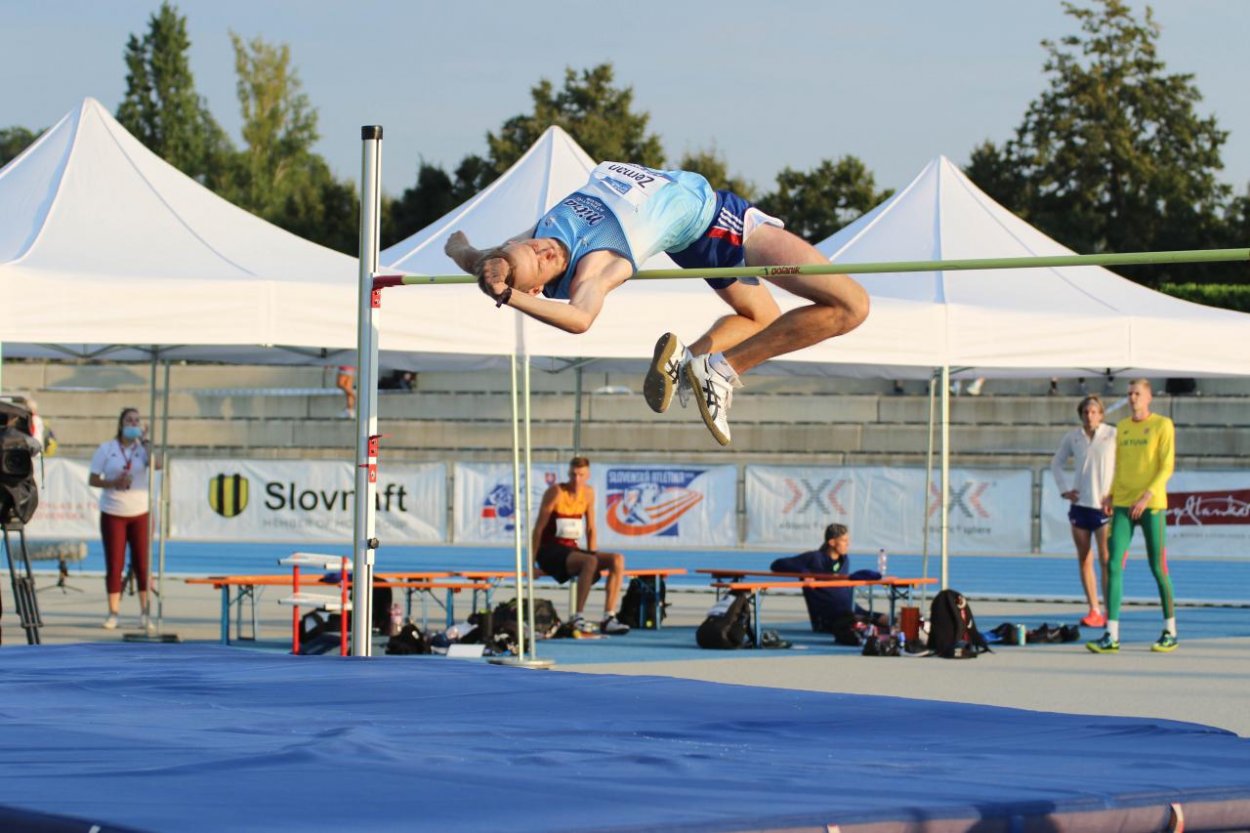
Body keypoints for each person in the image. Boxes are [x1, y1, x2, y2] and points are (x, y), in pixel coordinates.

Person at [444, 162, 870, 446]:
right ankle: (723, 371)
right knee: (851, 307)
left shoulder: (538, 235)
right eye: (540, 261)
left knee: (762, 318)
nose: (541, 249)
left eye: (531, 246)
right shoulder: (597, 265)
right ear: (536, 289)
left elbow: (475, 257)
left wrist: (461, 249)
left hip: (691, 236)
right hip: (722, 223)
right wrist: (508, 296)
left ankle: (690, 361)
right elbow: (579, 319)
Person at [1087, 380, 1177, 654]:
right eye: (1129, 394)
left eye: (1137, 393)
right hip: (1124, 504)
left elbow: (1167, 466)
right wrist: (1111, 493)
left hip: (1151, 505)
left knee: (1157, 567)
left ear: (1149, 397)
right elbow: (1120, 465)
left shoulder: (1163, 425)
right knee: (1113, 564)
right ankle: (1111, 633)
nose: (1132, 398)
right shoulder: (1123, 427)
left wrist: (1147, 496)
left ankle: (1170, 630)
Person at [531, 456, 629, 635]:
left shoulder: (589, 493)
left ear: (588, 475)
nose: (576, 480)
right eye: (573, 475)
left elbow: (591, 528)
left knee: (617, 559)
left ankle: (609, 616)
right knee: (589, 562)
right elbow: (538, 528)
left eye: (581, 475)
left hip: (571, 550)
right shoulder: (556, 492)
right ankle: (577, 617)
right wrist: (531, 564)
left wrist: (593, 552)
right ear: (569, 474)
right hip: (550, 551)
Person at [88, 407, 161, 632]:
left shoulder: (142, 449)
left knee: (142, 564)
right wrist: (113, 483)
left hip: (139, 512)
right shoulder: (107, 448)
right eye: (129, 420)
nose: (133, 423)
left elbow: (158, 465)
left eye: (137, 421)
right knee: (115, 564)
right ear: (121, 424)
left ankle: (144, 613)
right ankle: (113, 612)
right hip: (113, 512)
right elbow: (93, 479)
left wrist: (146, 441)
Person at [1050, 394, 1116, 628]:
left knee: (1107, 559)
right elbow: (1056, 463)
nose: (1089, 416)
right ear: (1081, 414)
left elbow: (1124, 466)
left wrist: (1115, 493)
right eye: (1086, 412)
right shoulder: (1073, 437)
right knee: (1085, 559)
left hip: (1103, 506)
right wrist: (1064, 490)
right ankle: (1094, 609)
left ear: (1101, 414)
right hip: (1080, 506)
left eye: (1094, 411)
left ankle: (1111, 609)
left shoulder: (1112, 435)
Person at [769, 523, 886, 637]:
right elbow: (776, 564)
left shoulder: (844, 560)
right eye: (844, 541)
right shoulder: (814, 558)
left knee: (890, 621)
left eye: (848, 540)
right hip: (830, 618)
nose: (848, 544)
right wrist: (804, 572)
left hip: (852, 610)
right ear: (832, 542)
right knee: (865, 628)